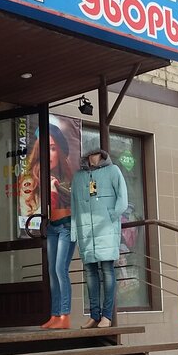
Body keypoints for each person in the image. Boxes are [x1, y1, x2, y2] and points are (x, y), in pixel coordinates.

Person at [71, 148, 128, 329]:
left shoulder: (113, 171)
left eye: (96, 155)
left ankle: (106, 316)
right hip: (86, 231)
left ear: (101, 156)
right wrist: (74, 230)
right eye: (90, 155)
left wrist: (111, 216)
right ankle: (94, 315)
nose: (93, 158)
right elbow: (74, 205)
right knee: (90, 272)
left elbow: (123, 199)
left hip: (106, 229)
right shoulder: (78, 177)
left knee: (107, 270)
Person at [35, 124, 76, 330]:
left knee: (61, 269)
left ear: (59, 149)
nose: (48, 154)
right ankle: (55, 314)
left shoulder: (69, 177)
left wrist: (55, 189)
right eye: (43, 148)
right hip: (51, 227)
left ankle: (65, 315)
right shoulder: (37, 176)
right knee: (52, 271)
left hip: (66, 226)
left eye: (52, 148)